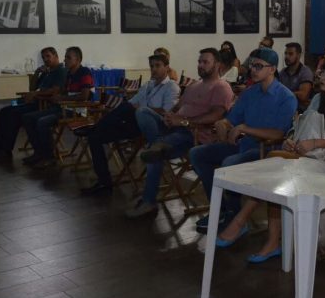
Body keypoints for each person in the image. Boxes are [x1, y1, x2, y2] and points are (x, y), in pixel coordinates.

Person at [215, 57, 325, 261]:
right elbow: (303, 129)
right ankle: (265, 237)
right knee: (273, 172)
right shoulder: (318, 99)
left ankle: (246, 226)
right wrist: (292, 140)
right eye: (323, 73)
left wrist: (314, 143)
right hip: (310, 160)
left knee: (273, 170)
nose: (323, 77)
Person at [190, 47, 297, 233]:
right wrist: (223, 124)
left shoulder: (286, 97)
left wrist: (244, 128)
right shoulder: (250, 93)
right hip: (244, 145)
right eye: (252, 65)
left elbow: (278, 134)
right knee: (197, 153)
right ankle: (222, 209)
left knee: (229, 163)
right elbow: (231, 119)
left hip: (269, 152)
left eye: (258, 66)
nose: (252, 70)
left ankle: (234, 216)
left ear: (272, 69)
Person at [125, 48, 233, 217]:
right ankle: (157, 144)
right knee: (143, 111)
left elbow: (216, 115)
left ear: (217, 64)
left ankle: (149, 199)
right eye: (199, 61)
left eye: (205, 62)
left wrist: (184, 121)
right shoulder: (194, 85)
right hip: (174, 128)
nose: (200, 65)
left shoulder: (221, 86)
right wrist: (170, 116)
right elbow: (177, 107)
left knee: (155, 152)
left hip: (194, 134)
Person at [80, 53, 180, 195]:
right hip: (134, 124)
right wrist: (134, 107)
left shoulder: (172, 87)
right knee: (94, 138)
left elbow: (167, 112)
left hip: (155, 126)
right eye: (152, 66)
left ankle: (95, 127)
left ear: (167, 67)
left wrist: (142, 108)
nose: (154, 69)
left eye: (158, 66)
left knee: (127, 108)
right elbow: (132, 103)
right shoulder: (148, 85)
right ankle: (104, 183)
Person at [0, 47, 66, 162]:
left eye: (48, 56)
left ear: (56, 56)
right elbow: (32, 88)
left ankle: (6, 150)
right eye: (43, 57)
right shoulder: (47, 72)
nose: (45, 60)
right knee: (4, 111)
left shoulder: (60, 71)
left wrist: (35, 94)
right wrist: (37, 73)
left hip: (43, 104)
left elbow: (55, 90)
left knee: (13, 114)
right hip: (33, 100)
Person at [24, 46, 93, 169]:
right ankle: (39, 153)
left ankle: (49, 157)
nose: (65, 60)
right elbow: (64, 91)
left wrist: (62, 98)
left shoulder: (84, 72)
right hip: (64, 108)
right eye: (65, 57)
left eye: (68, 57)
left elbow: (84, 96)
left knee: (42, 122)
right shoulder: (69, 74)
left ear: (78, 60)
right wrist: (56, 96)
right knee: (28, 118)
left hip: (76, 111)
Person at [278, 42, 315, 110]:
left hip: (300, 111)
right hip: (284, 108)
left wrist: (283, 94)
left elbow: (303, 96)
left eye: (290, 54)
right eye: (286, 53)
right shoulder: (282, 72)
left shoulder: (305, 72)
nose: (286, 56)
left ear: (298, 55)